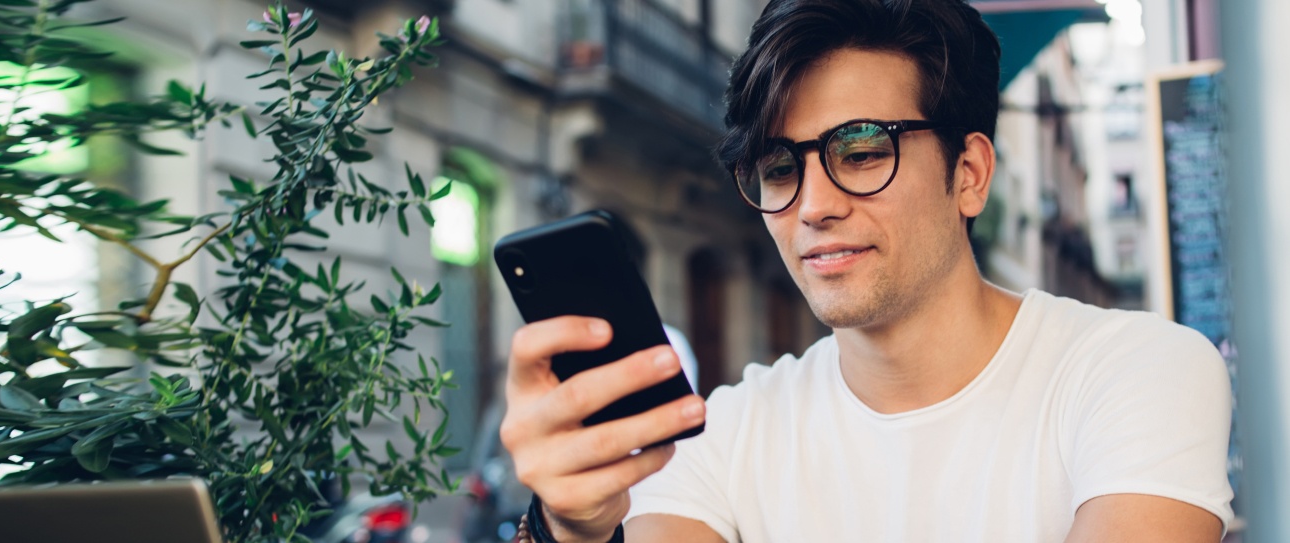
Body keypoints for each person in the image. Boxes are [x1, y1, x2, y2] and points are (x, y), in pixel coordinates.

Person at [496, 0, 1234, 541]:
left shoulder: (1138, 371)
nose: (812, 205)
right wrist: (569, 527)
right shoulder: (722, 436)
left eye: (862, 151)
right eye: (779, 167)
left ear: (970, 172)